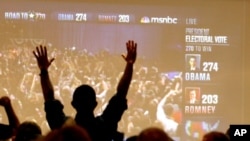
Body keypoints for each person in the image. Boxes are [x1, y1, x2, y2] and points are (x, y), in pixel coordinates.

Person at [33, 40, 137, 141]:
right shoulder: (104, 126)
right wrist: (130, 65)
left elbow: (49, 98)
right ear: (95, 104)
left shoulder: (64, 130)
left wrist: (43, 70)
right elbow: (121, 94)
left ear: (73, 104)